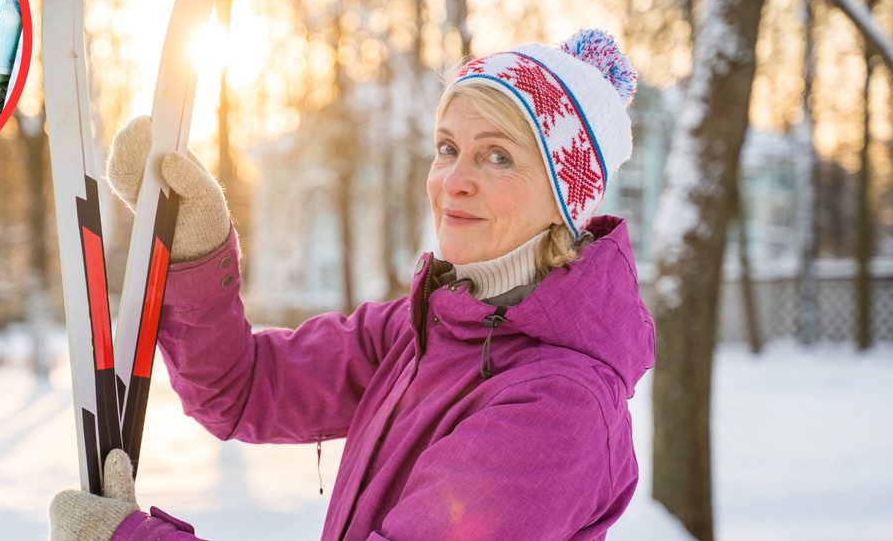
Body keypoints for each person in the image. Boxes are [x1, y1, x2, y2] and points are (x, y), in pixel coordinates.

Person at [50, 29, 656, 541]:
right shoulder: (429, 328)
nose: (454, 181)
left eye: (497, 157)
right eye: (447, 148)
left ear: (565, 200)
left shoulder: (560, 409)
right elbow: (241, 389)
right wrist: (197, 248)